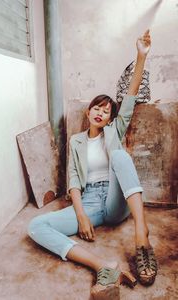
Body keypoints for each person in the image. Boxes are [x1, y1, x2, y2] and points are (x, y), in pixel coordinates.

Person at [28, 30, 157, 299]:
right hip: (89, 202)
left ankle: (141, 235)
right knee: (36, 226)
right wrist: (82, 215)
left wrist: (140, 57)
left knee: (120, 156)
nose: (100, 112)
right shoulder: (76, 141)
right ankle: (104, 267)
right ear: (88, 112)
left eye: (106, 109)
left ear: (111, 118)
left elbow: (131, 96)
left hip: (114, 199)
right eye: (96, 107)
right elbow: (74, 180)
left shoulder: (114, 132)